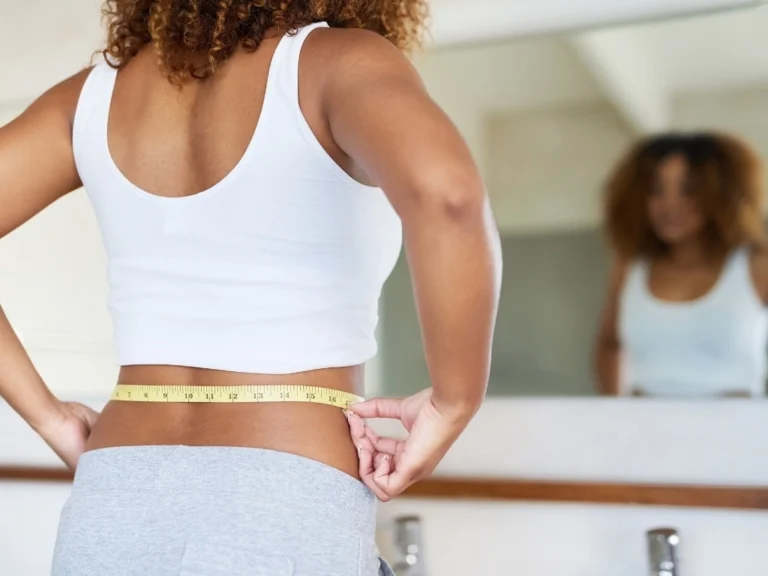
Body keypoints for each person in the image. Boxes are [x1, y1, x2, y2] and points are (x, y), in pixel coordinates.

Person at [0, 1, 502, 574]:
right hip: (282, 497)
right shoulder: (339, 65)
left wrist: (49, 417)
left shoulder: (93, 97)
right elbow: (448, 195)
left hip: (111, 499)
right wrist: (454, 401)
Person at [594, 132, 768, 398]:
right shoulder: (630, 265)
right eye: (656, 190)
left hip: (734, 422)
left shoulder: (756, 264)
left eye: (688, 190)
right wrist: (614, 409)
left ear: (719, 194)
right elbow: (608, 343)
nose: (669, 205)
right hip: (644, 420)